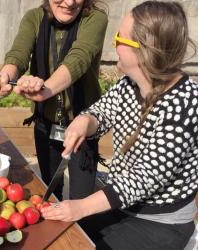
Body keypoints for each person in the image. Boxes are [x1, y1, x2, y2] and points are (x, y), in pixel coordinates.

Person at [41, 1, 198, 249]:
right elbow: (102, 112)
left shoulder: (184, 103)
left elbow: (144, 178)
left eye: (120, 38)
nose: (113, 43)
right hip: (123, 205)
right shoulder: (130, 84)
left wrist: (81, 206)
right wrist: (85, 121)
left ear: (145, 52)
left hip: (160, 223)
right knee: (62, 234)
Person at [0, 0, 108, 201]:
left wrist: (45, 90)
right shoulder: (34, 18)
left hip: (82, 126)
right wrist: (5, 77)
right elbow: (19, 54)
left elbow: (80, 58)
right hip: (46, 122)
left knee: (82, 200)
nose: (69, 2)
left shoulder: (95, 18)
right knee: (51, 192)